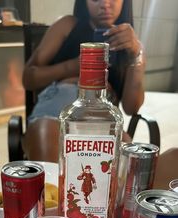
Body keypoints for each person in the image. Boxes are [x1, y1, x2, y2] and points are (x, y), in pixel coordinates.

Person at [22, 0, 145, 162]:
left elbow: (131, 108)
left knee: (126, 163)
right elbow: (28, 78)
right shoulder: (68, 26)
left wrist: (137, 55)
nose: (105, 4)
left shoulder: (132, 45)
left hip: (102, 115)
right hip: (58, 106)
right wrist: (74, 66)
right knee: (46, 139)